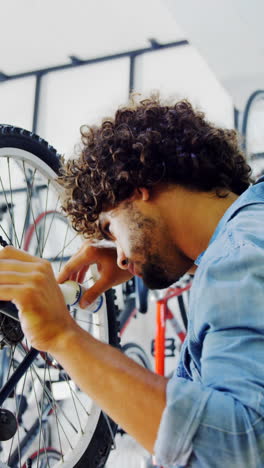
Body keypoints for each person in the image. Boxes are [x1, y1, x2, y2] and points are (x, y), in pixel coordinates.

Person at [0, 96, 263, 467]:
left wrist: (62, 336)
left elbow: (237, 451)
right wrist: (155, 255)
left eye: (110, 228)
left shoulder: (236, 257)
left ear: (137, 187)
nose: (119, 255)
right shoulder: (249, 235)